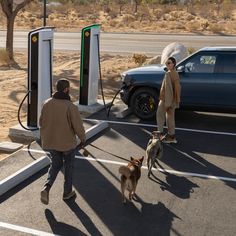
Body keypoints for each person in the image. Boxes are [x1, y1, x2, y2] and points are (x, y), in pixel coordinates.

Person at [39, 79, 86, 205]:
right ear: (66, 89)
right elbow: (78, 127)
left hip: (51, 143)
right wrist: (83, 139)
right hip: (67, 144)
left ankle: (46, 187)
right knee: (69, 167)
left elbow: (41, 122)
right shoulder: (70, 106)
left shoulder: (46, 103)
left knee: (55, 165)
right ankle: (67, 193)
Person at [156, 56, 181, 144]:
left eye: (169, 63)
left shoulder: (168, 74)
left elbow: (168, 90)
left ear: (173, 64)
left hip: (166, 100)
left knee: (160, 115)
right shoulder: (175, 73)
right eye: (167, 63)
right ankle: (171, 137)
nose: (167, 64)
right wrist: (176, 101)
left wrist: (167, 104)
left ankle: (159, 135)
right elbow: (178, 89)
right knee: (170, 118)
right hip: (172, 100)